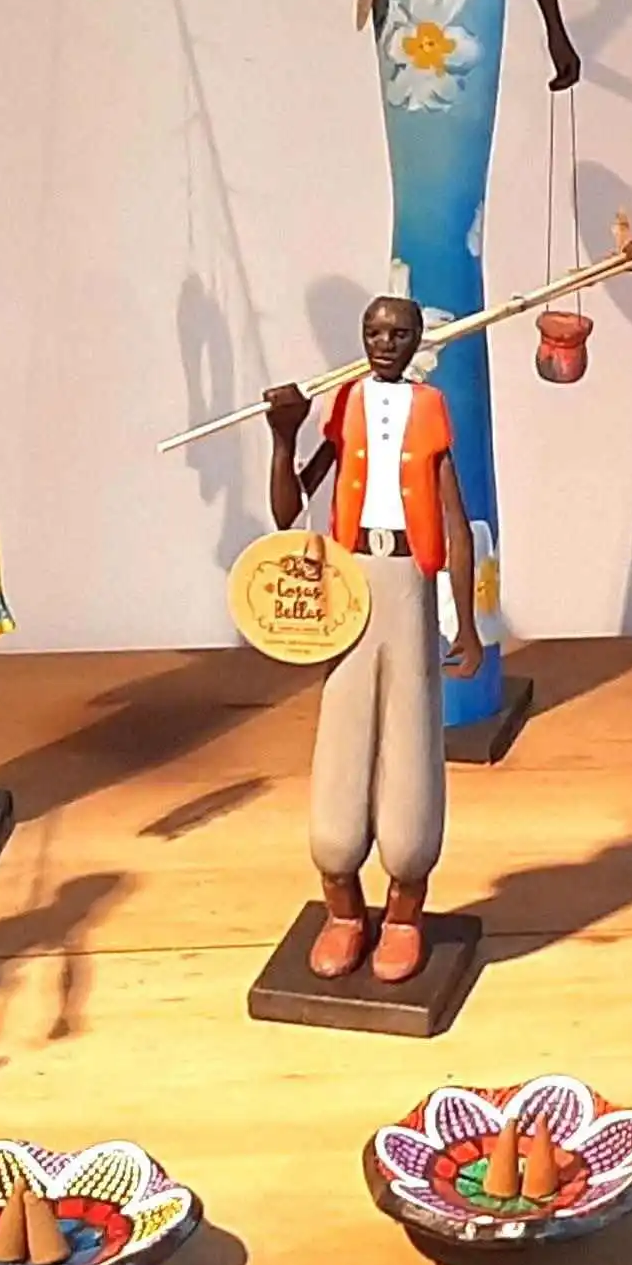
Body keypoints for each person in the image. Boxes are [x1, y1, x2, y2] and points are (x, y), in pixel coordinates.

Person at [287, 0, 577, 737]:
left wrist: (557, 29)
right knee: (417, 221)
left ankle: (464, 647)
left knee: (447, 224)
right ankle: (438, 653)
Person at [263, 297, 483, 984]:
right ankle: (343, 907)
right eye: (374, 331)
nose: (385, 342)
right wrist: (282, 437)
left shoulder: (429, 408)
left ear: (417, 340)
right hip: (350, 585)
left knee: (412, 738)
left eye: (398, 333)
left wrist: (466, 621)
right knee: (343, 733)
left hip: (410, 585)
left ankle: (404, 910)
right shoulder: (347, 403)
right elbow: (290, 508)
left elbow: (455, 522)